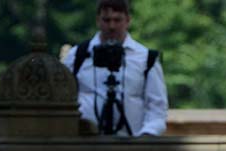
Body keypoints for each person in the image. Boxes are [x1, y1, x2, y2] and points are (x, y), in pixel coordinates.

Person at [62, 0, 166, 137]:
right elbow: (62, 98)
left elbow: (157, 108)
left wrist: (147, 136)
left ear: (128, 20)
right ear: (98, 20)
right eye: (106, 20)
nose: (112, 26)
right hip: (85, 144)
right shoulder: (77, 56)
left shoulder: (146, 59)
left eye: (117, 20)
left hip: (131, 145)